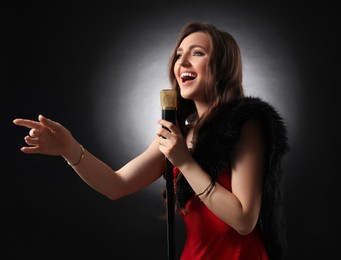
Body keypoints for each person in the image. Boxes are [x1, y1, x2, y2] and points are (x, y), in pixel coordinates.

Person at [13, 21, 289, 260]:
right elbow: (115, 185)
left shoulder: (246, 124)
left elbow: (243, 220)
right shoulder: (177, 136)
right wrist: (69, 148)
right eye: (179, 54)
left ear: (223, 67)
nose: (182, 62)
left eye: (197, 53)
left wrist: (184, 161)